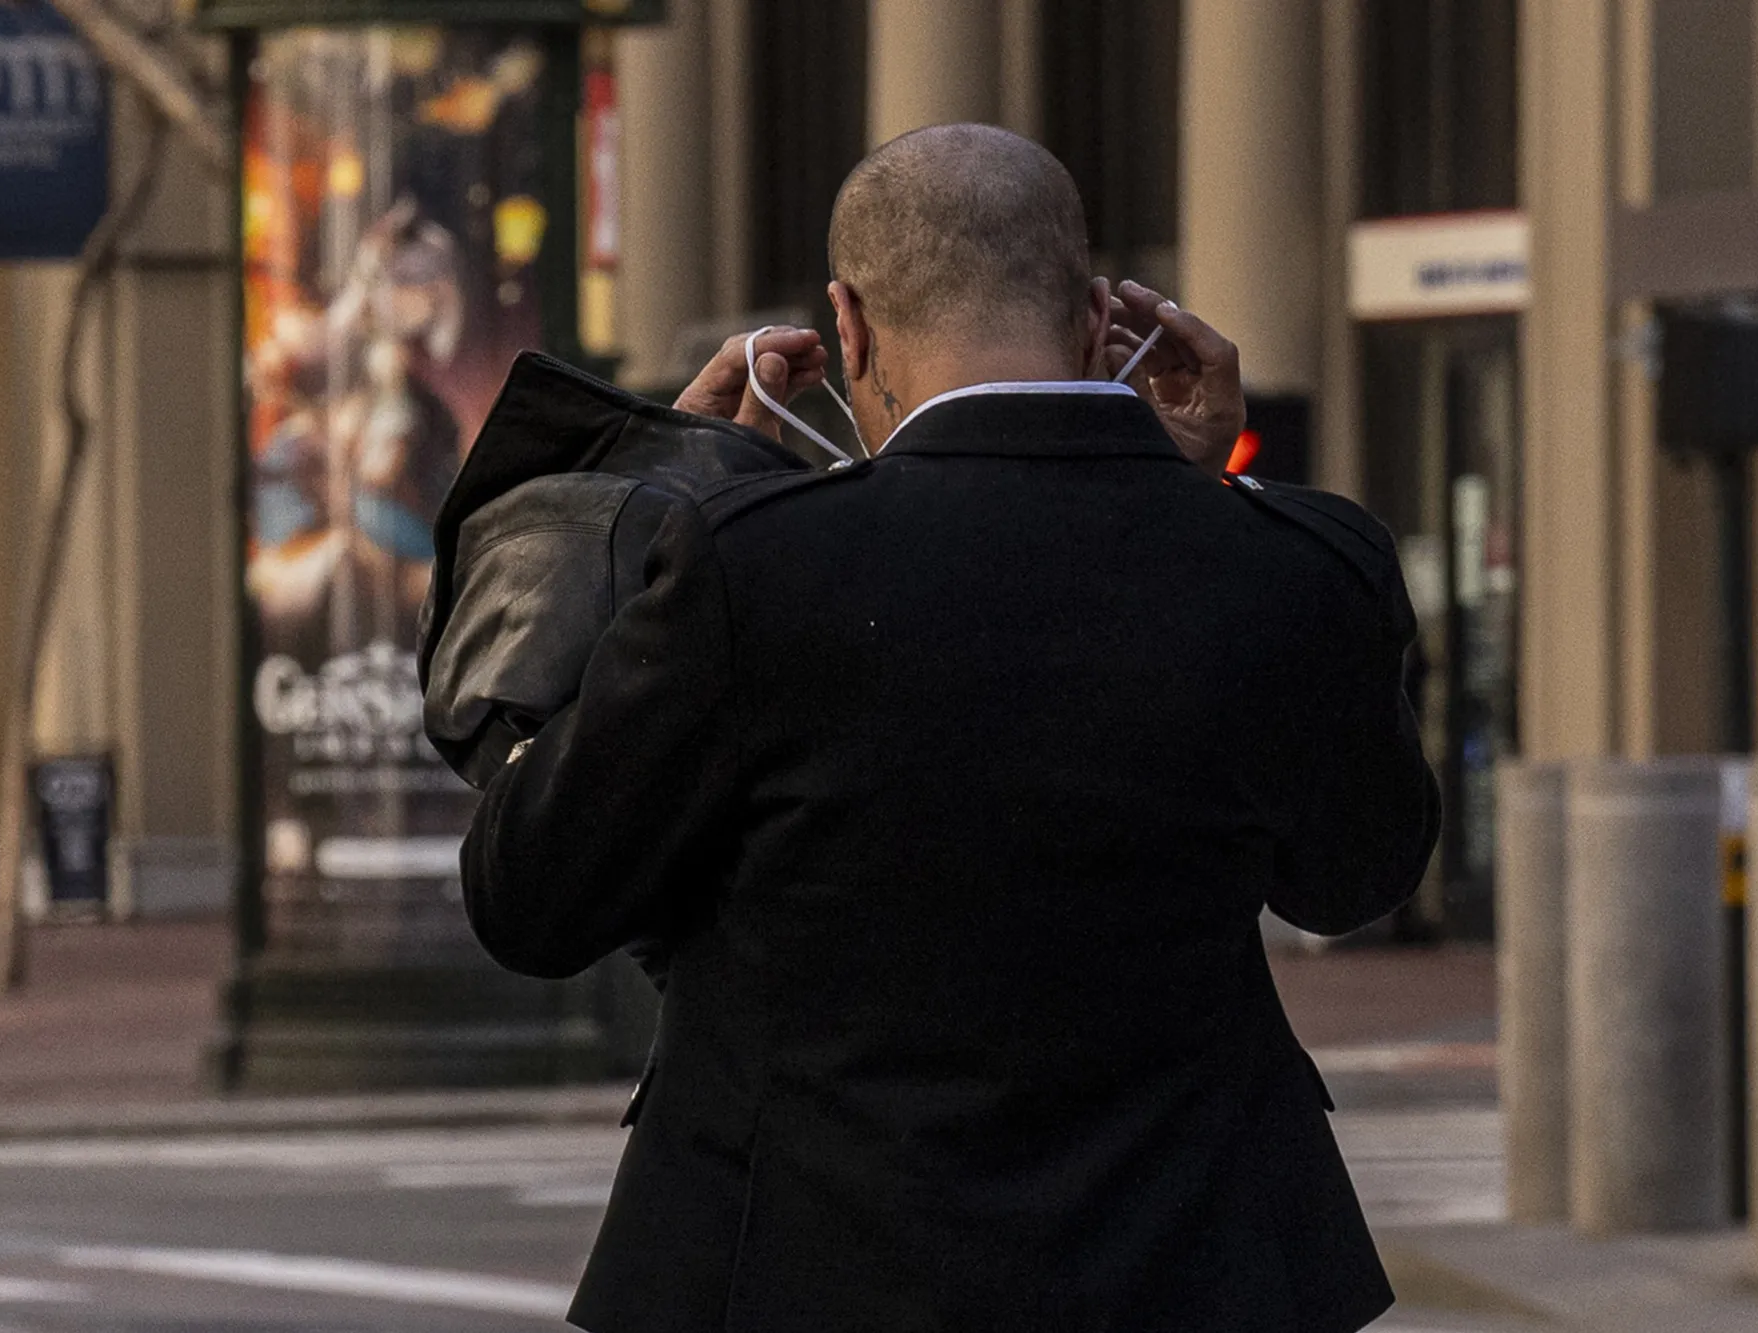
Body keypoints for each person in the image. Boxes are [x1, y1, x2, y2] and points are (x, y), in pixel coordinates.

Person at [462, 124, 1439, 1333]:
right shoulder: (1289, 567)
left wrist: (663, 505)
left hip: (802, 1273)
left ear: (851, 326)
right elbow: (1355, 879)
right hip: (1193, 1271)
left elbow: (534, 898)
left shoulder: (751, 569)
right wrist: (1210, 498)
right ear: (1096, 320)